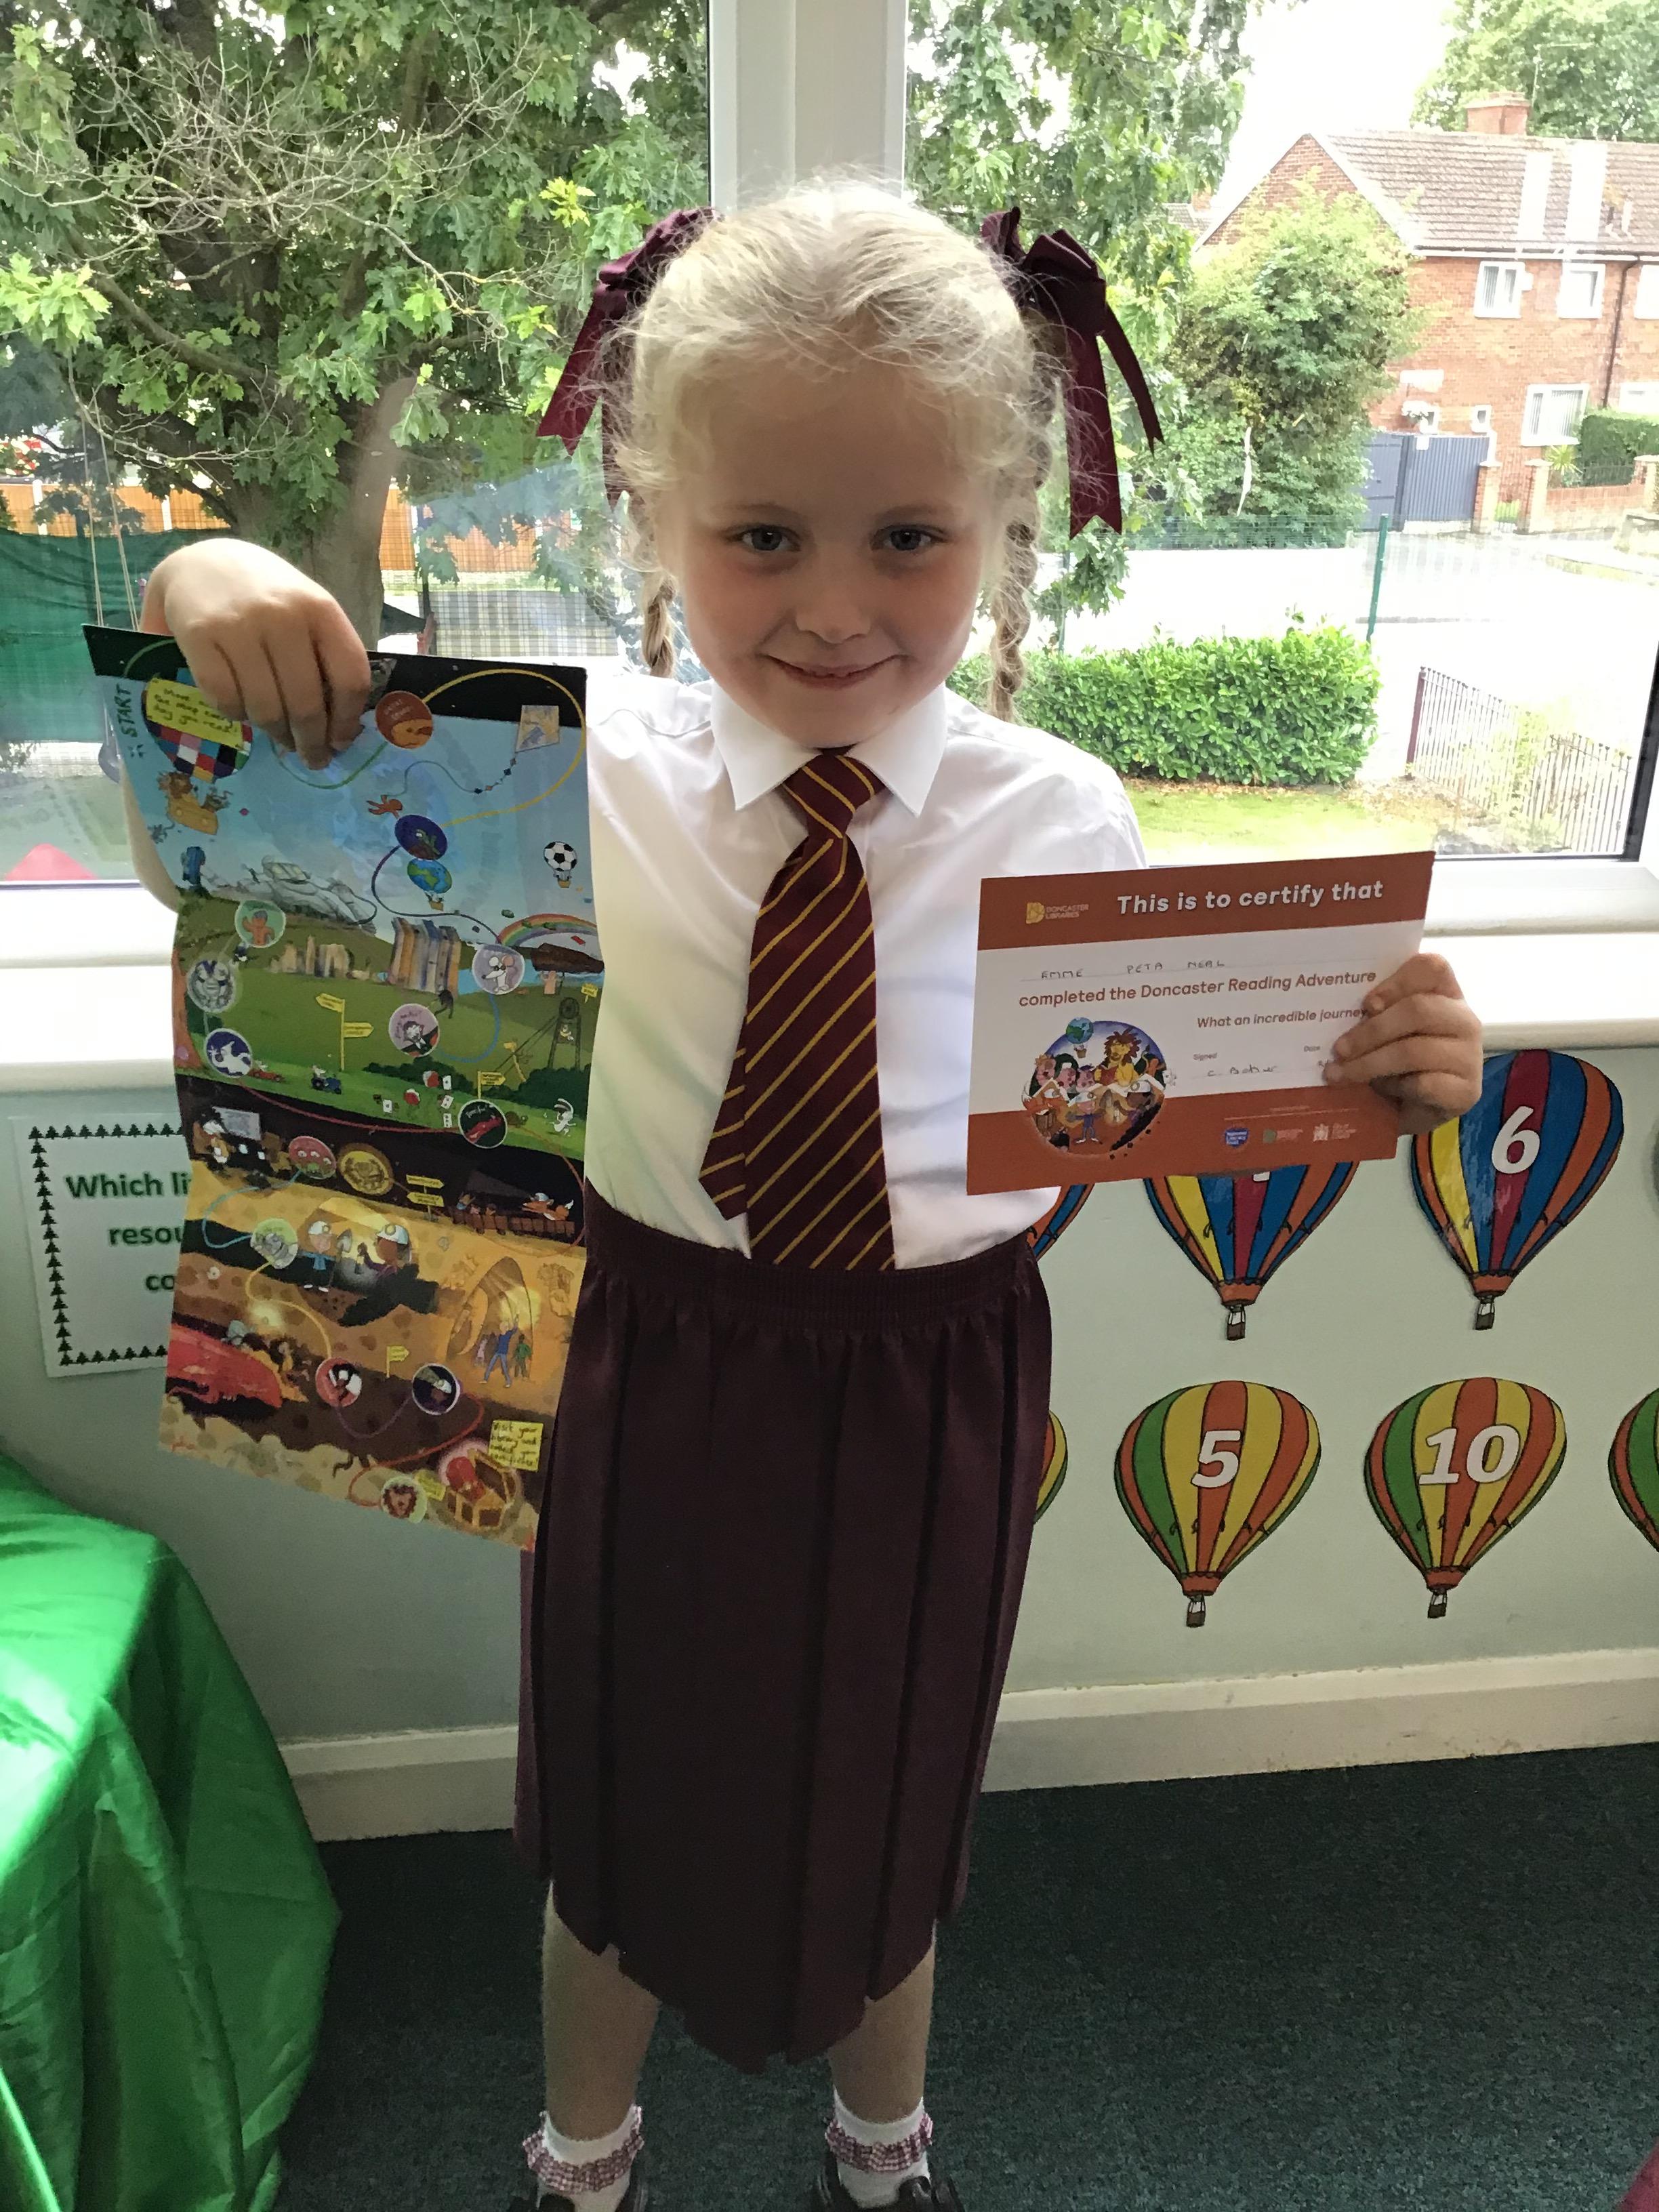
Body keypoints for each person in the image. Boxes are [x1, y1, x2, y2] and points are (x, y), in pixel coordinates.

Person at [120, 184, 1484, 2212]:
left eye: (908, 537)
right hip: (646, 1351)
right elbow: (211, 849)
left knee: (891, 1783)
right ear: (650, 519)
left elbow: (1157, 1089)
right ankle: (584, 2152)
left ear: (1004, 528)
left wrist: (1386, 1063)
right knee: (618, 1786)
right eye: (762, 535)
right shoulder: (550, 773)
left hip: (936, 1370)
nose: (836, 607)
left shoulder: (1063, 816)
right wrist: (206, 578)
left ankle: (882, 2139)